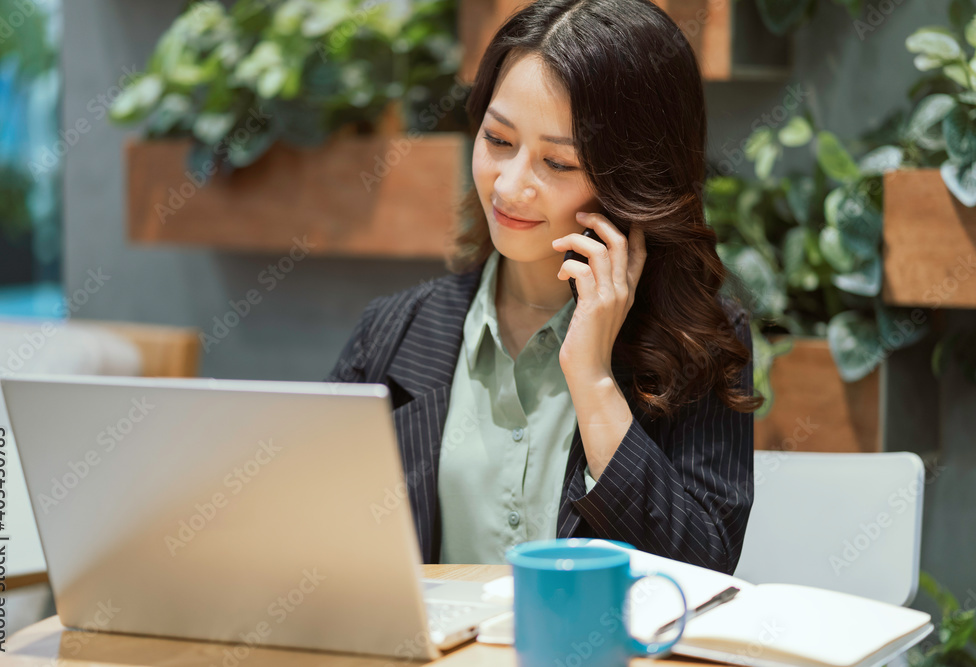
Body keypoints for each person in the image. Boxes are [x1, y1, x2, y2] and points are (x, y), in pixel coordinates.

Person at [323, 0, 764, 574]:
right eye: (498, 140)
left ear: (634, 181)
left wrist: (595, 381)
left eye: (557, 163)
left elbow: (700, 573)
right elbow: (318, 546)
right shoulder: (392, 332)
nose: (509, 186)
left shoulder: (697, 346)